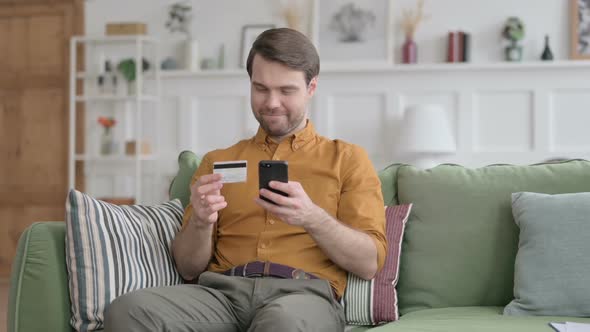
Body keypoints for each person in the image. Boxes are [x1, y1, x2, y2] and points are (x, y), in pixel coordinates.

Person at [104, 28, 386, 332]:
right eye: (261, 88)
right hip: (221, 294)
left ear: (311, 88)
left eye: (286, 90)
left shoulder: (347, 159)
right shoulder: (216, 162)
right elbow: (187, 267)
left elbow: (368, 262)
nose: (272, 102)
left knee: (280, 323)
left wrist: (312, 217)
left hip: (302, 296)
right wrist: (200, 221)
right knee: (128, 310)